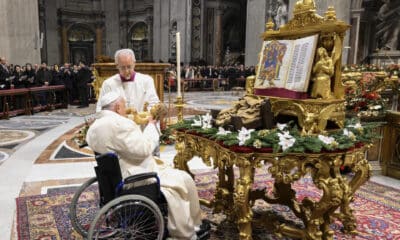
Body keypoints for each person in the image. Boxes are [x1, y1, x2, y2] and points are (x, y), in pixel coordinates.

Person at [86, 91, 202, 239]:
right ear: (116, 107)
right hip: (135, 175)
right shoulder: (119, 124)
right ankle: (188, 229)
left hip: (113, 175)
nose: (125, 109)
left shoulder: (95, 125)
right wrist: (151, 126)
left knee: (174, 174)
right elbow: (144, 149)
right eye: (124, 106)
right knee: (183, 180)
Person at [96, 48, 160, 113]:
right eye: (123, 67)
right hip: (117, 122)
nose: (126, 71)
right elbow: (100, 108)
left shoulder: (147, 81)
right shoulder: (108, 84)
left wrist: (144, 117)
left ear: (134, 64)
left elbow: (154, 104)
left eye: (129, 67)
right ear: (117, 66)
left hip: (141, 121)